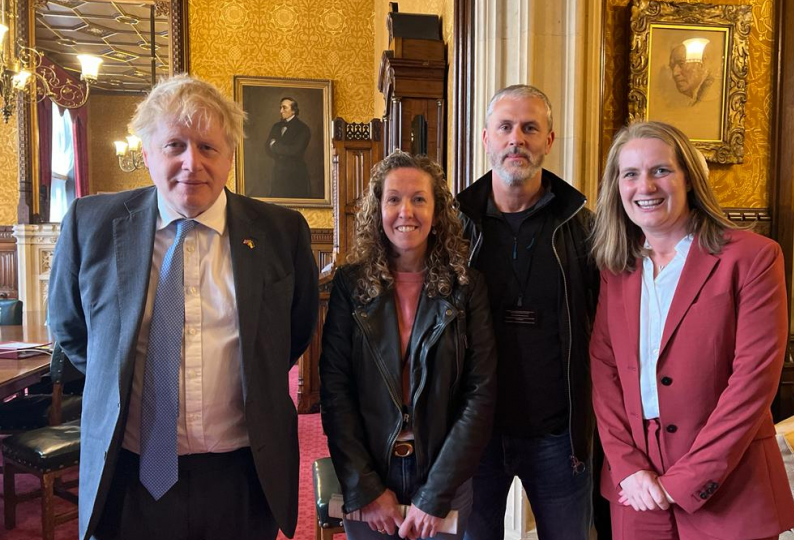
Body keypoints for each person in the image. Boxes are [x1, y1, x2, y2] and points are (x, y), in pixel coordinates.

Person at [48, 74, 319, 540]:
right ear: (147, 154)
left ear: (230, 156)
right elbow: (71, 328)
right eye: (174, 145)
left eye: (208, 147)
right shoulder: (91, 225)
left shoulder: (282, 232)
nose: (192, 163)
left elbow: (293, 332)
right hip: (130, 472)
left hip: (242, 474)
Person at [590, 121, 794, 539]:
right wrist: (627, 468)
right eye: (630, 174)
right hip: (637, 492)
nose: (645, 186)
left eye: (660, 170)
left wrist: (687, 479)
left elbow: (753, 382)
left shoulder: (753, 258)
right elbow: (604, 370)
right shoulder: (617, 268)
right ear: (617, 187)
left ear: (688, 178)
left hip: (730, 486)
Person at [320, 150, 497, 540]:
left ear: (437, 212)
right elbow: (335, 391)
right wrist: (365, 487)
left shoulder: (468, 288)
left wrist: (435, 494)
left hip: (443, 474)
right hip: (368, 472)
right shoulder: (350, 285)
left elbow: (480, 395)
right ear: (378, 210)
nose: (406, 212)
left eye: (419, 199)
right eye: (394, 199)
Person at [457, 85, 598, 540]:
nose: (516, 138)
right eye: (505, 127)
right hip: (474, 437)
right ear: (486, 139)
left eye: (530, 128)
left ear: (549, 140)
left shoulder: (583, 227)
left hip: (559, 437)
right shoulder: (453, 227)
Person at [266, 97, 312, 198]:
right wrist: (281, 149)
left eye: (284, 108)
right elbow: (267, 148)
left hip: (295, 175)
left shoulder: (303, 129)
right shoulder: (276, 127)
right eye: (280, 108)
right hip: (278, 174)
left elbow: (295, 150)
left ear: (293, 110)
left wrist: (275, 145)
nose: (281, 111)